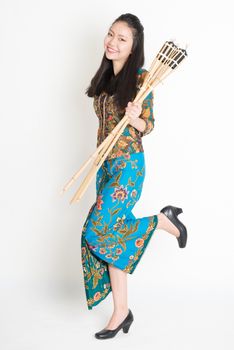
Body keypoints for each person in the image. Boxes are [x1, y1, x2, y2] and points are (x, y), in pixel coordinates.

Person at [81, 13, 187, 340]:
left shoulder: (142, 80)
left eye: (122, 38)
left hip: (128, 167)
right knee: (111, 237)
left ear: (133, 47)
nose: (112, 42)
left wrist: (136, 117)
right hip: (106, 166)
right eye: (111, 35)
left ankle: (161, 221)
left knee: (96, 229)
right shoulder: (104, 80)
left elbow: (148, 126)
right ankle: (121, 312)